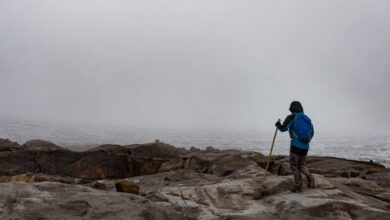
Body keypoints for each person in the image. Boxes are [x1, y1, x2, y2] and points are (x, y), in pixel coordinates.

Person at [275, 101, 315, 192]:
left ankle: (298, 186)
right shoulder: (306, 118)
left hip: (295, 146)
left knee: (294, 166)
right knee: (302, 165)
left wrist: (278, 125)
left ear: (292, 109)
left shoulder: (292, 117)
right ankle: (310, 177)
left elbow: (283, 128)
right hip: (305, 146)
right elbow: (312, 132)